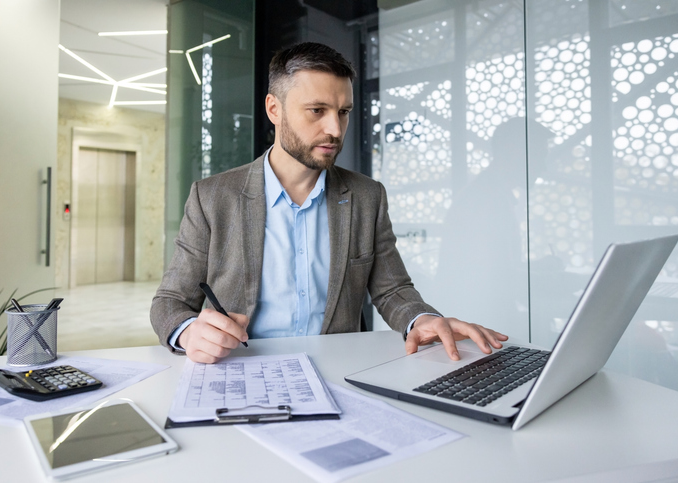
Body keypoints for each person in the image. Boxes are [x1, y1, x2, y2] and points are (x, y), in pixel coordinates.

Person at [150, 42, 508, 364]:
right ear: (274, 109)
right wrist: (187, 332)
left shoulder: (367, 196)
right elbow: (169, 301)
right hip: (241, 367)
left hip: (338, 370)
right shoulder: (213, 197)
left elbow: (392, 289)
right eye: (317, 110)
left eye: (344, 112)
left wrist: (423, 319)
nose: (335, 129)